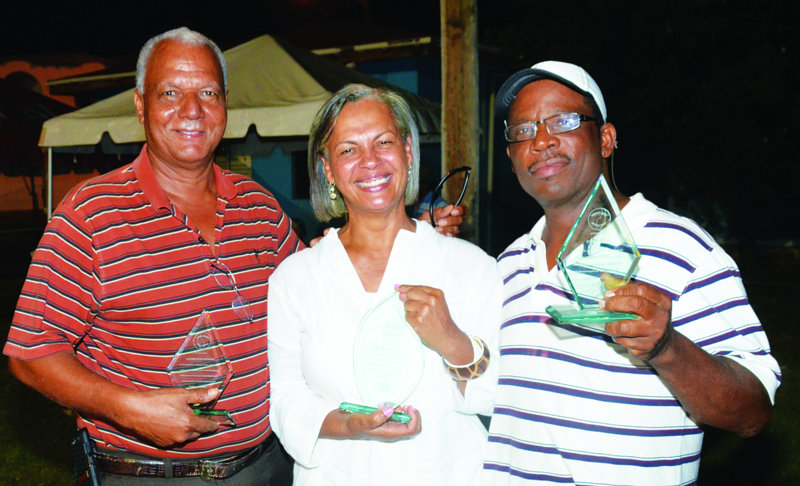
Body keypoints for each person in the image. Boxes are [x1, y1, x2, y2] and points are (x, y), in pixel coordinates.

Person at [2, 28, 464, 484]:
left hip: (267, 466)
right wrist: (129, 408)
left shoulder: (258, 206)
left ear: (225, 104)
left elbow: (323, 281)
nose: (192, 109)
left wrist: (407, 234)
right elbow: (30, 354)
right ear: (141, 105)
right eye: (170, 93)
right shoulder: (91, 214)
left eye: (208, 92)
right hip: (149, 474)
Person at [481, 61, 781, 485]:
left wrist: (666, 348)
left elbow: (753, 412)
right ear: (511, 160)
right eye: (523, 130)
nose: (541, 140)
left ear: (605, 139)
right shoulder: (507, 264)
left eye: (563, 121)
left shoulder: (681, 246)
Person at [267, 84, 502, 485]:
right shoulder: (295, 278)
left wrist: (453, 341)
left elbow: (500, 396)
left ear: (408, 151)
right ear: (327, 169)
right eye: (348, 150)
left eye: (384, 142)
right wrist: (349, 425)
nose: (370, 161)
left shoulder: (470, 266)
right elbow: (286, 399)